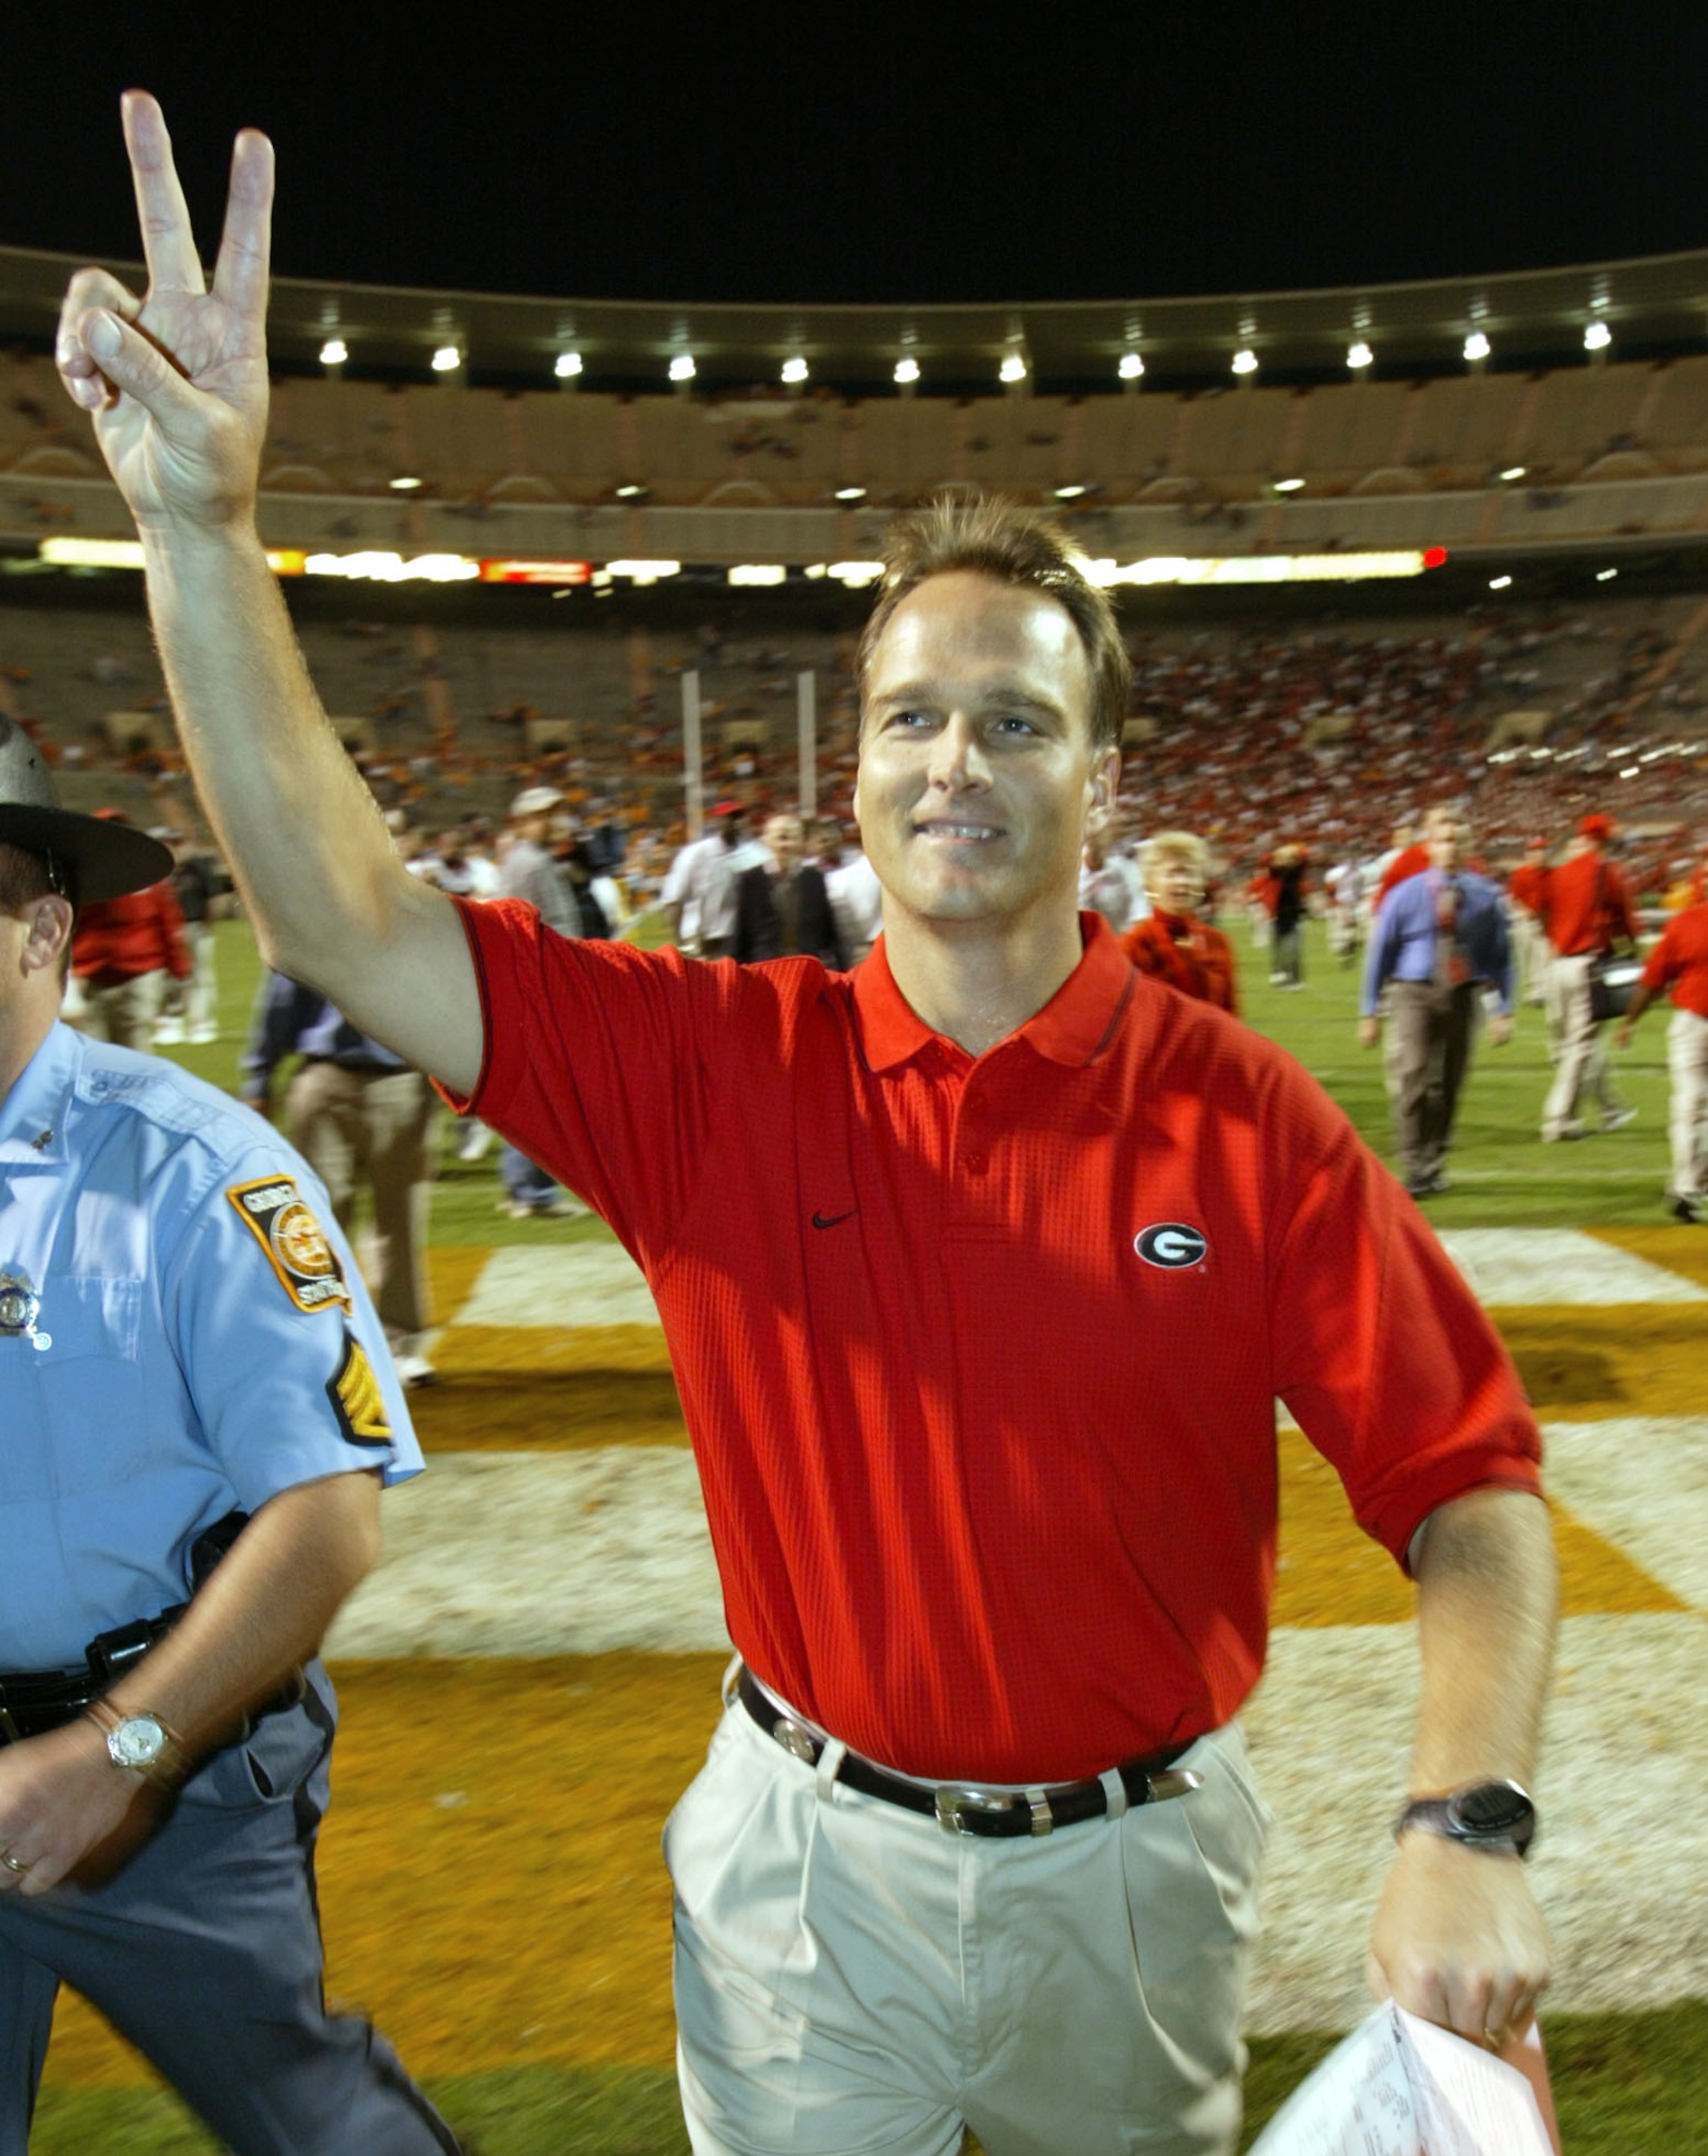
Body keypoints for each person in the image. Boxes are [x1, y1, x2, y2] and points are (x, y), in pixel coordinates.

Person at [57, 97, 1556, 2156]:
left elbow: (1467, 1484)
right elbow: (343, 911)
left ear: (1099, 783)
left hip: (1129, 1879)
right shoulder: (710, 1064)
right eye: (911, 717)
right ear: (854, 771)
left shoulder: (1245, 1118)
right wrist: (201, 537)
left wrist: (1463, 1817)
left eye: (1016, 718)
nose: (957, 761)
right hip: (803, 1866)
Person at [0, 715, 457, 2156]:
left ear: (44, 926)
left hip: (170, 1768)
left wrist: (114, 1750)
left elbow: (329, 1508)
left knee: (316, 2122)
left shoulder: (200, 1169)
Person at [242, 972, 442, 1385]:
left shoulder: (423, 914)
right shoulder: (312, 920)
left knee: (401, 1220)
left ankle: (400, 1346)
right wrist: (260, 1078)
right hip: (326, 1076)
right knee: (312, 1227)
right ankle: (313, 1343)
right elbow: (282, 995)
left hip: (407, 1078)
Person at [1358, 808, 1514, 1198]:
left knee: (1449, 1082)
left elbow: (1501, 955)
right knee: (1413, 1078)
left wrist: (1503, 1009)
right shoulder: (1405, 894)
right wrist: (1370, 1010)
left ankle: (1434, 1161)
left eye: (1459, 840)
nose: (1452, 847)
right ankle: (1414, 1163)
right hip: (1414, 991)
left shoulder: (1485, 895)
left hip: (1463, 993)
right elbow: (1382, 953)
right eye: (1444, 840)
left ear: (1470, 846)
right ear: (1429, 847)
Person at [1539, 812, 1640, 1143]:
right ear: (1605, 841)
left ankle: (1606, 1108)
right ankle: (1559, 1120)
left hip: (1557, 966)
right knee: (1579, 1049)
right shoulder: (1608, 872)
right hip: (1588, 969)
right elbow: (1627, 921)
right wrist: (1634, 952)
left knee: (1571, 1045)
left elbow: (1542, 912)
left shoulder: (1558, 873)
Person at [1615, 894, 1708, 1221]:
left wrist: (1630, 1022)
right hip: (1694, 1023)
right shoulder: (1688, 921)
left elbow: (1654, 978)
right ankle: (1687, 1188)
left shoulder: (1687, 921)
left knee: (1691, 1107)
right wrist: (1630, 1021)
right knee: (1692, 1106)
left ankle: (1686, 1185)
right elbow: (1655, 976)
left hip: (1693, 1022)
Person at [65, 811, 191, 1050]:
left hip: (140, 974)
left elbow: (169, 923)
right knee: (95, 1052)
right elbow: (67, 928)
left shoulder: (148, 875)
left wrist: (179, 969)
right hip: (93, 975)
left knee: (135, 1049)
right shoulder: (81, 878)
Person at [1120, 831, 1238, 1013]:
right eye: (1172, 874)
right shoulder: (1136, 943)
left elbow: (1231, 1014)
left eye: (1190, 874)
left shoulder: (1217, 941)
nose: (1182, 882)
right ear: (1152, 885)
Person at [732, 812, 846, 966]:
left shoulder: (814, 879)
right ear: (767, 841)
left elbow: (830, 931)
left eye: (793, 838)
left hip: (806, 967)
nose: (786, 845)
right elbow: (742, 933)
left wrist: (842, 969)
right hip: (765, 970)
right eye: (781, 838)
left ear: (801, 842)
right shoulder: (751, 880)